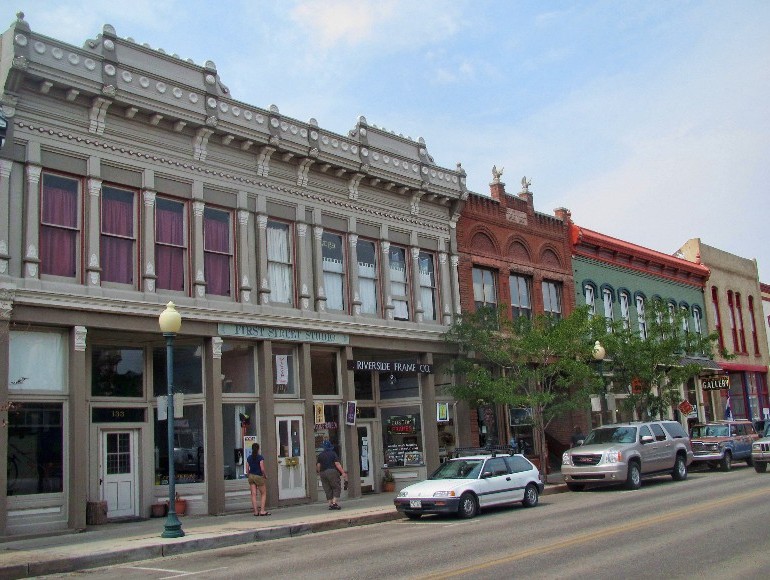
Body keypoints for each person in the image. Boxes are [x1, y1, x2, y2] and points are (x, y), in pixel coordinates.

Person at [317, 440, 347, 510]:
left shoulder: (320, 455)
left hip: (323, 473)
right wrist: (343, 472)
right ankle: (334, 503)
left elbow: (318, 465)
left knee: (327, 488)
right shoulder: (333, 453)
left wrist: (319, 472)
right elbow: (337, 464)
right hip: (332, 471)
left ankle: (330, 503)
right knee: (336, 487)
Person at [246, 442, 270, 516]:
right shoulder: (260, 457)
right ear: (258, 449)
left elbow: (247, 469)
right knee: (263, 493)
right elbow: (262, 468)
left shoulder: (249, 458)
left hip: (251, 476)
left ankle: (255, 512)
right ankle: (262, 511)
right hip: (258, 476)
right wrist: (265, 475)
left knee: (253, 494)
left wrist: (248, 475)